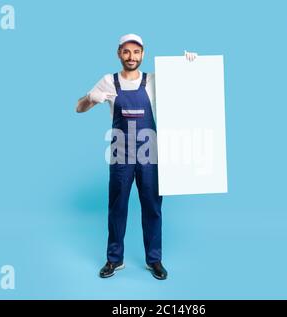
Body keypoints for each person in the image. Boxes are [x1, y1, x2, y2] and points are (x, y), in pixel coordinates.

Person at [76, 33, 197, 280]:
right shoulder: (108, 81)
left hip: (149, 154)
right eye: (126, 52)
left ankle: (154, 260)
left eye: (137, 52)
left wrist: (189, 66)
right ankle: (114, 260)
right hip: (120, 153)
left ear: (143, 54)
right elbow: (78, 107)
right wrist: (91, 99)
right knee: (117, 207)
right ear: (119, 53)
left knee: (152, 207)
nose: (132, 57)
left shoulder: (154, 80)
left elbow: (188, 88)